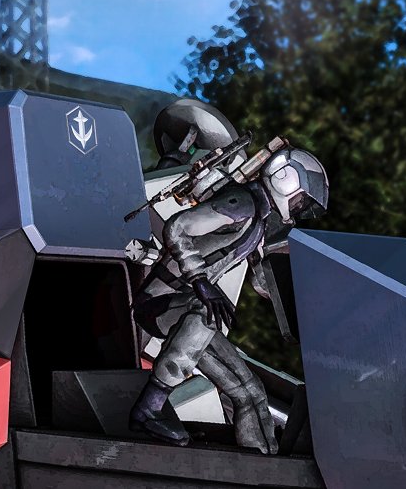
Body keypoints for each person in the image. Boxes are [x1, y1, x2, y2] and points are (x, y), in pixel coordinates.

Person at [127, 105, 328, 451]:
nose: (298, 210)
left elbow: (262, 282)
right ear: (285, 179)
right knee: (206, 317)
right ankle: (149, 409)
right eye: (300, 201)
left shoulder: (257, 223)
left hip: (188, 310)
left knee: (250, 391)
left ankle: (262, 459)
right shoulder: (242, 204)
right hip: (162, 302)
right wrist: (201, 283)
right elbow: (177, 228)